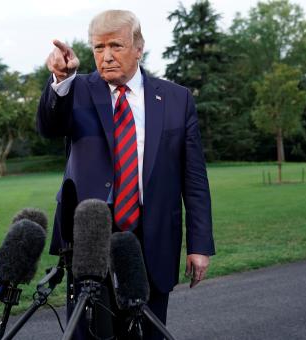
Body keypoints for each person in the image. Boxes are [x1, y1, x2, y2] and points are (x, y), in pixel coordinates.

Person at [37, 9, 215, 340]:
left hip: (153, 236)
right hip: (90, 238)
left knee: (148, 334)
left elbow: (194, 178)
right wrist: (61, 80)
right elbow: (48, 127)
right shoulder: (77, 90)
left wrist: (200, 244)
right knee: (90, 334)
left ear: (138, 46)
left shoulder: (177, 99)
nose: (105, 57)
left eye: (115, 46)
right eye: (98, 48)